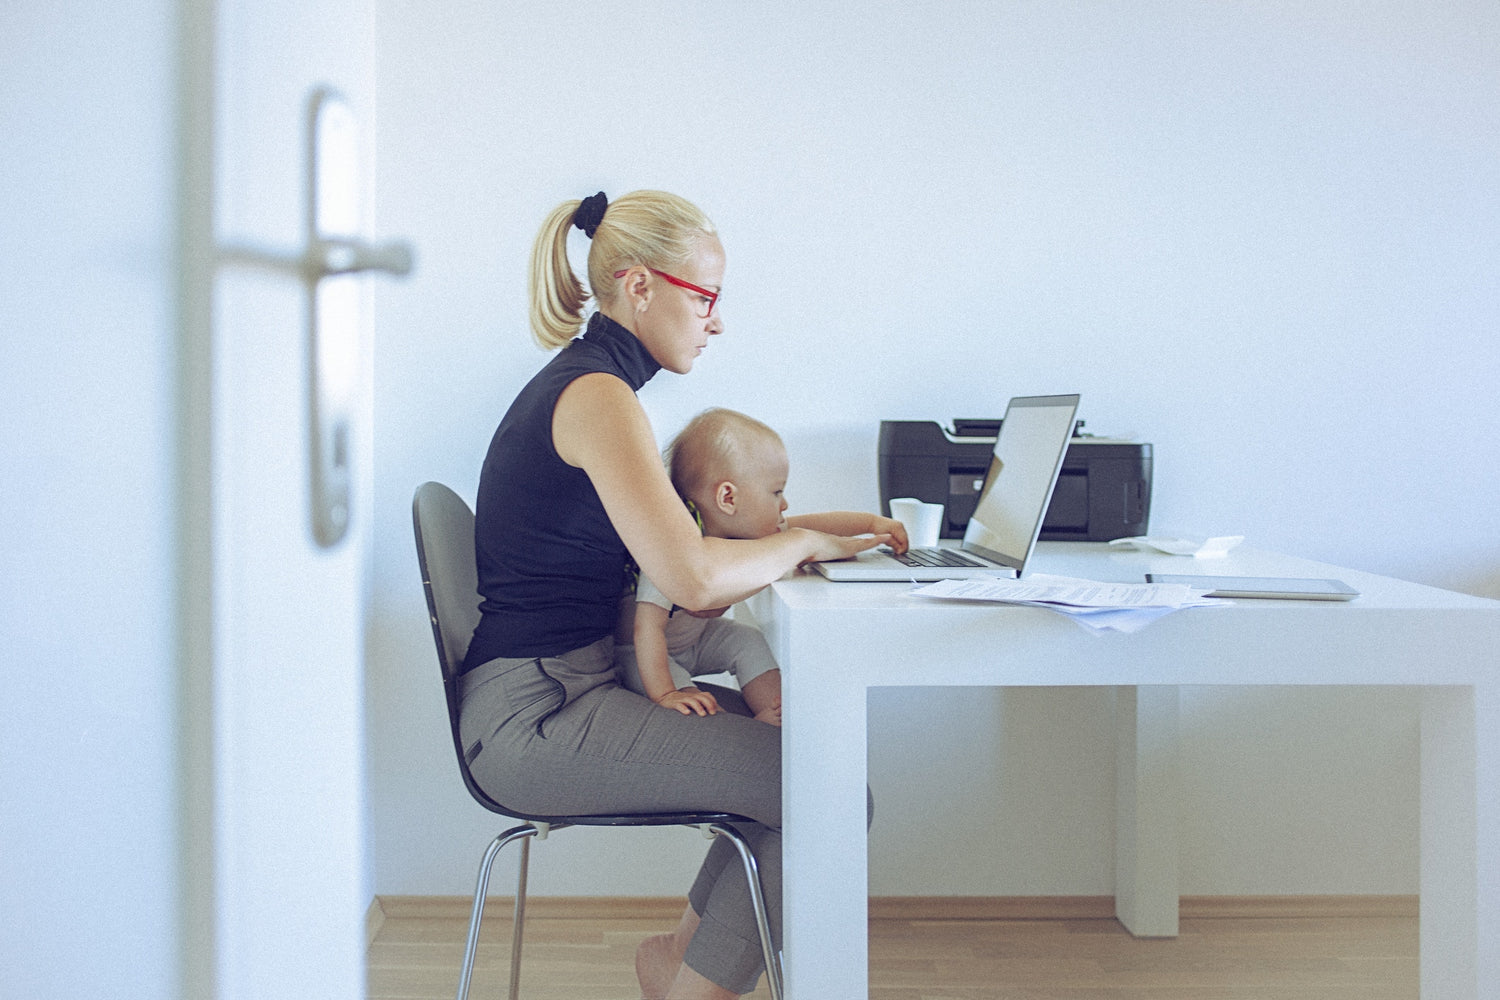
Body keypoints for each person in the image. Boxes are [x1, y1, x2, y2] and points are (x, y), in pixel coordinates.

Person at [457, 190, 898, 1000]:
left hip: (565, 691)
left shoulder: (598, 393)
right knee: (828, 788)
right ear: (638, 287)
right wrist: (801, 541)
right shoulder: (597, 397)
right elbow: (694, 574)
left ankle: (679, 967)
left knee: (815, 764)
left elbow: (699, 546)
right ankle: (691, 985)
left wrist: (831, 532)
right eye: (706, 298)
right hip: (538, 717)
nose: (716, 321)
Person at [617, 407, 907, 726]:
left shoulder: (747, 532)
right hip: (644, 654)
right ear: (728, 498)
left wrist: (872, 522)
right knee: (692, 704)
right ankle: (723, 725)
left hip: (696, 640)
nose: (785, 504)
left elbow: (811, 526)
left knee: (747, 640)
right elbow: (646, 628)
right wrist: (666, 693)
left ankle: (776, 711)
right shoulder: (672, 547)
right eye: (776, 492)